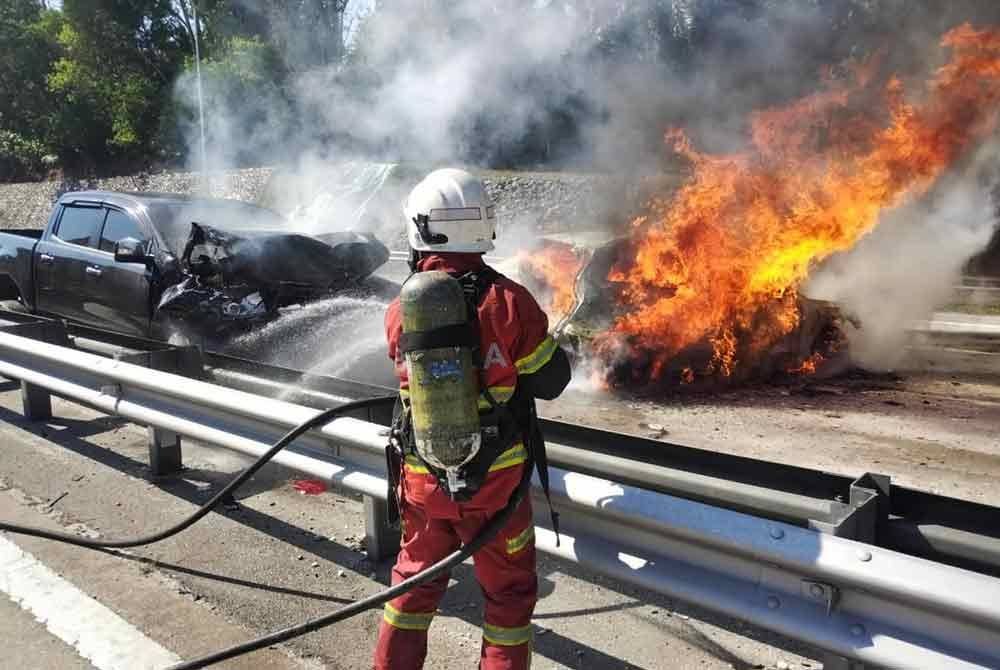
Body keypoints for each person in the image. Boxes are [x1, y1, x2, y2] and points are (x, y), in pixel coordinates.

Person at [374, 168, 572, 670]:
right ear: (483, 226)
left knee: (412, 591)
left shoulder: (402, 308)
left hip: (425, 484)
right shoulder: (509, 302)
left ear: (421, 228)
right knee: (507, 600)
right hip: (495, 488)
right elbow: (550, 382)